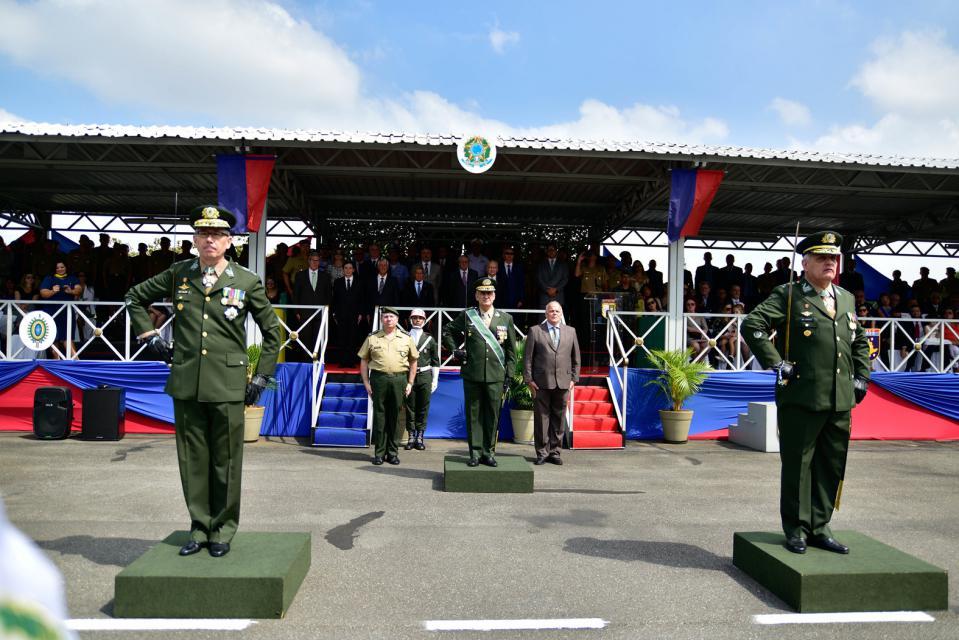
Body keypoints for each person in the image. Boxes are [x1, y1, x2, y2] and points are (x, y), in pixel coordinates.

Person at [125, 205, 280, 558]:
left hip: (227, 383)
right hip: (187, 380)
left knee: (225, 459)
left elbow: (272, 332)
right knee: (192, 458)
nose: (209, 240)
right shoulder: (179, 273)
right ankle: (199, 525)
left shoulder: (245, 280)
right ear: (195, 240)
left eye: (217, 235)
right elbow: (134, 297)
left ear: (228, 241)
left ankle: (223, 529)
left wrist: (263, 376)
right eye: (203, 234)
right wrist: (149, 335)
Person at [743, 230, 870, 556]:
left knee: (830, 465)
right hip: (801, 396)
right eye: (821, 257)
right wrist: (776, 362)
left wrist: (862, 377)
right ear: (806, 262)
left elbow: (858, 341)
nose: (829, 263)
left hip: (840, 399)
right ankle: (797, 529)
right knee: (799, 465)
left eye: (833, 258)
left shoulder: (846, 298)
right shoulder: (789, 294)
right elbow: (753, 325)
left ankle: (820, 526)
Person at [442, 278, 517, 467]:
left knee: (492, 415)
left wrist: (509, 374)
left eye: (489, 293)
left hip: (496, 375)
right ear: (476, 295)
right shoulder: (468, 316)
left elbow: (510, 351)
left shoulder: (505, 318)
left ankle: (488, 452)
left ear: (494, 296)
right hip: (472, 374)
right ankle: (475, 453)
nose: (486, 296)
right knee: (473, 414)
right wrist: (454, 350)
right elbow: (448, 331)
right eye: (482, 293)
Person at [358, 306, 418, 466]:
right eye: (385, 317)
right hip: (379, 379)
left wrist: (410, 382)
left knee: (395, 417)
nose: (388, 319)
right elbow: (364, 360)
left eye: (391, 317)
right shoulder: (372, 338)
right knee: (380, 416)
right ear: (381, 320)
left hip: (399, 380)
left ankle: (392, 453)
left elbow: (413, 361)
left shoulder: (406, 338)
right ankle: (379, 453)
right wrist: (365, 382)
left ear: (397, 320)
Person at [524, 301, 580, 465]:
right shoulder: (535, 331)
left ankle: (555, 452)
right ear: (546, 314)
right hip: (541, 382)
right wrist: (529, 379)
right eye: (551, 311)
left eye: (557, 311)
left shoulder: (571, 331)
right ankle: (542, 452)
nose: (554, 313)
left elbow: (576, 358)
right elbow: (528, 358)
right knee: (542, 419)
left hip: (563, 382)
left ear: (561, 313)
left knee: (559, 418)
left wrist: (574, 379)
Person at [404, 308, 439, 451]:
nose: (417, 320)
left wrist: (435, 380)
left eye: (420, 318)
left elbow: (435, 361)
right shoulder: (405, 337)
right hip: (409, 376)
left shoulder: (430, 339)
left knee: (423, 407)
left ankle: (420, 436)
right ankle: (411, 435)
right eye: (415, 318)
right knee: (410, 406)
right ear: (410, 320)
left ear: (425, 321)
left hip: (425, 375)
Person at [292, 251, 332, 361]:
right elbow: (296, 295)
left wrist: (327, 311)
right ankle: (306, 363)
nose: (315, 262)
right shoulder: (300, 275)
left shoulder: (325, 276)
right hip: (304, 314)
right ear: (309, 261)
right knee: (305, 339)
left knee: (318, 339)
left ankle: (317, 361)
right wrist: (297, 312)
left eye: (317, 260)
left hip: (320, 314)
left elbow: (329, 296)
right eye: (313, 260)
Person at [39, 261, 83, 358]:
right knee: (52, 337)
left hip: (66, 312)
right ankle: (57, 361)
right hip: (51, 311)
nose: (60, 269)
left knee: (67, 337)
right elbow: (43, 293)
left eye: (62, 267)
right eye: (57, 268)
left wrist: (71, 291)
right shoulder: (49, 278)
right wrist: (52, 291)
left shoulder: (72, 278)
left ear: (66, 267)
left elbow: (79, 290)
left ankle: (75, 360)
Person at [331, 262, 365, 367]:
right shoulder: (337, 282)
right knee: (342, 338)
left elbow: (361, 300)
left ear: (354, 270)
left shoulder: (359, 282)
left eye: (350, 268)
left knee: (352, 338)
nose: (348, 270)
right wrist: (334, 313)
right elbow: (334, 299)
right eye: (346, 268)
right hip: (341, 314)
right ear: (343, 269)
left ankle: (351, 362)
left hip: (354, 315)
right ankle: (342, 361)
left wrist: (360, 313)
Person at [537, 243, 569, 307]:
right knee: (543, 316)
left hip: (558, 297)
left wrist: (556, 289)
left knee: (557, 316)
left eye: (553, 249)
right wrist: (547, 290)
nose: (551, 251)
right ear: (546, 251)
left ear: (556, 251)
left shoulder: (563, 264)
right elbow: (539, 279)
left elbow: (565, 279)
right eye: (549, 249)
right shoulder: (541, 264)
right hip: (544, 297)